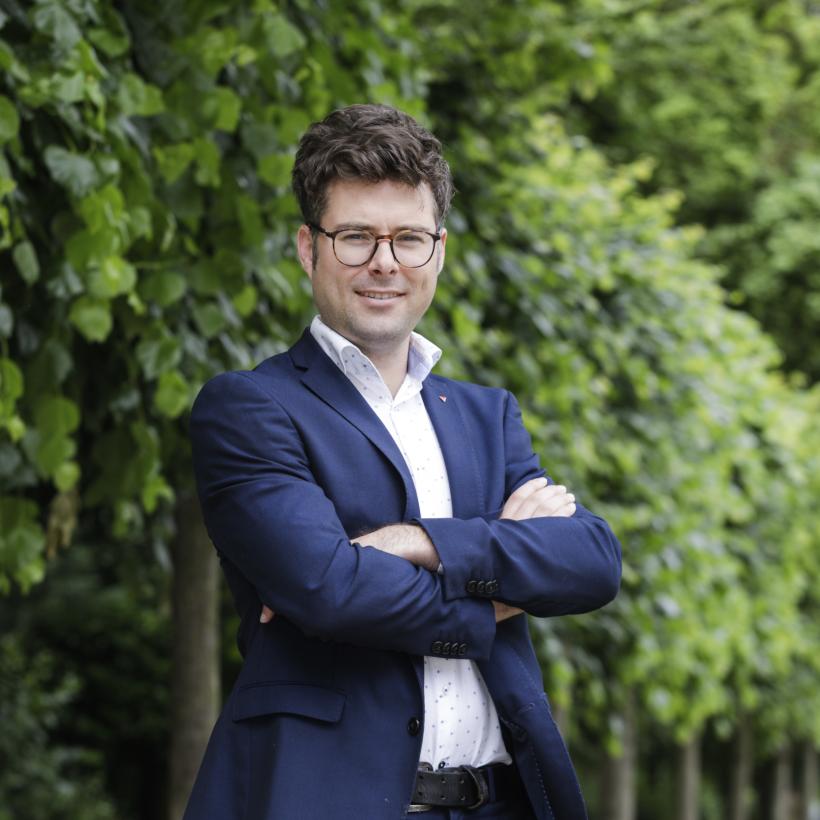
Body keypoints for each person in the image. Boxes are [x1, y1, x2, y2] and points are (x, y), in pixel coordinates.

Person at [184, 104, 621, 820]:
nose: (384, 262)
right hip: (325, 800)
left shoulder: (487, 414)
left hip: (501, 801)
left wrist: (414, 542)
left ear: (438, 253)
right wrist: (502, 583)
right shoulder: (249, 407)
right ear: (307, 247)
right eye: (356, 236)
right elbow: (329, 590)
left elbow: (593, 561)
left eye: (409, 239)